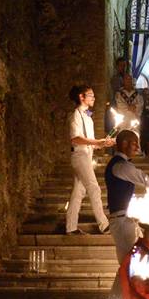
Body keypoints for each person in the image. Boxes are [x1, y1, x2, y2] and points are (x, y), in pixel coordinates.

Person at [104, 129, 149, 265]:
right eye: (135, 143)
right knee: (129, 265)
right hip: (122, 222)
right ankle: (122, 287)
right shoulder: (122, 166)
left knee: (133, 264)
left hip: (125, 221)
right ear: (124, 143)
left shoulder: (119, 165)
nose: (138, 148)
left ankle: (127, 286)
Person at [66, 85, 114, 236]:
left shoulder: (88, 117)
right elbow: (75, 138)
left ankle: (71, 227)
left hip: (86, 156)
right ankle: (104, 225)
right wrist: (96, 142)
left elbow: (90, 141)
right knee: (94, 188)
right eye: (91, 95)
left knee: (78, 192)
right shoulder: (76, 115)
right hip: (79, 156)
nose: (94, 98)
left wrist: (103, 143)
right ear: (81, 97)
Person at [105, 56, 131, 134]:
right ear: (117, 67)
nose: (123, 68)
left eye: (124, 65)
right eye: (121, 65)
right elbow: (119, 92)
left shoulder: (126, 77)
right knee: (115, 128)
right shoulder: (115, 79)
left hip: (126, 108)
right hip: (117, 106)